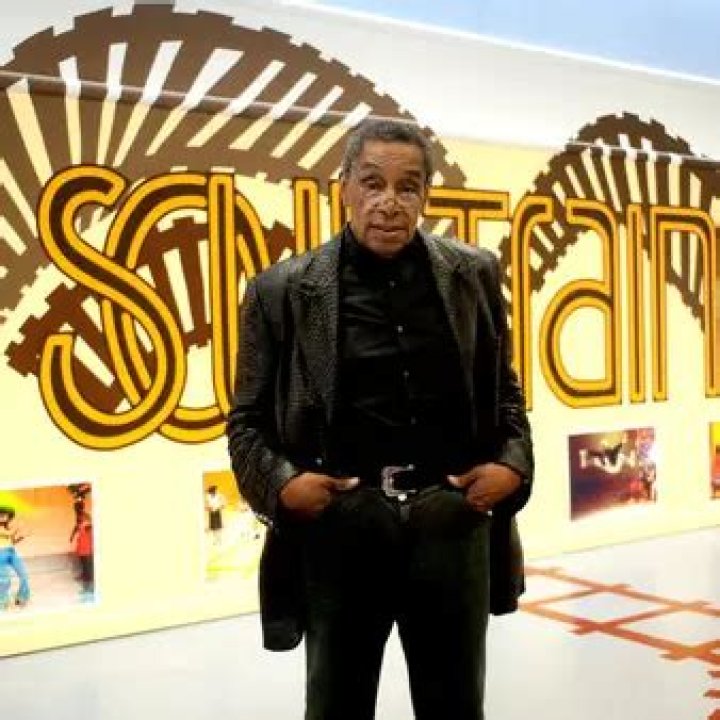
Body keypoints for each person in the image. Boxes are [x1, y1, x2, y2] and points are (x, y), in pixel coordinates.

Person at [227, 118, 534, 720]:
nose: (389, 203)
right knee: (336, 707)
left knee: (456, 708)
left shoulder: (474, 275)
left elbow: (506, 392)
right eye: (372, 183)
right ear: (344, 186)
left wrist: (513, 467)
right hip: (342, 528)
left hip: (451, 520)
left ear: (426, 195)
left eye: (407, 187)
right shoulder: (281, 291)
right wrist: (282, 485)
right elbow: (245, 421)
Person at [0, 506, 31, 609]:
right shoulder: (8, 530)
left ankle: (21, 597)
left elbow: (12, 542)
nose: (2, 517)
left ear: (9, 517)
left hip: (12, 552)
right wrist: (17, 529)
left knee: (24, 575)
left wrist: (22, 537)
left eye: (5, 516)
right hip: (1, 555)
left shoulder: (8, 528)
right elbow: (8, 533)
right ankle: (2, 600)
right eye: (1, 515)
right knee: (4, 579)